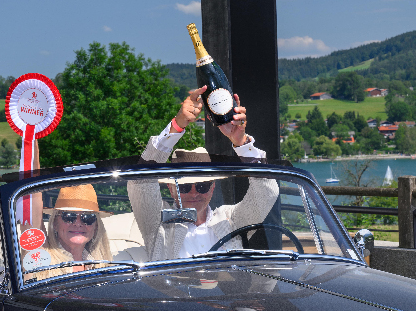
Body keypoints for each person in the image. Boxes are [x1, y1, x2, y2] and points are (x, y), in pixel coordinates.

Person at [128, 86, 279, 261]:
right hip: (176, 288)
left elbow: (267, 193)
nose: (194, 192)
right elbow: (140, 183)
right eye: (184, 187)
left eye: (202, 185)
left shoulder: (230, 219)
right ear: (171, 188)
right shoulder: (158, 223)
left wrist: (241, 143)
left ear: (212, 187)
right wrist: (176, 126)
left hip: (228, 288)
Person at [23, 144, 112, 280]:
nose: (78, 223)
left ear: (96, 227)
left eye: (87, 218)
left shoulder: (102, 264)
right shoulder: (43, 260)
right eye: (68, 216)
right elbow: (30, 202)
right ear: (55, 223)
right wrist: (31, 137)